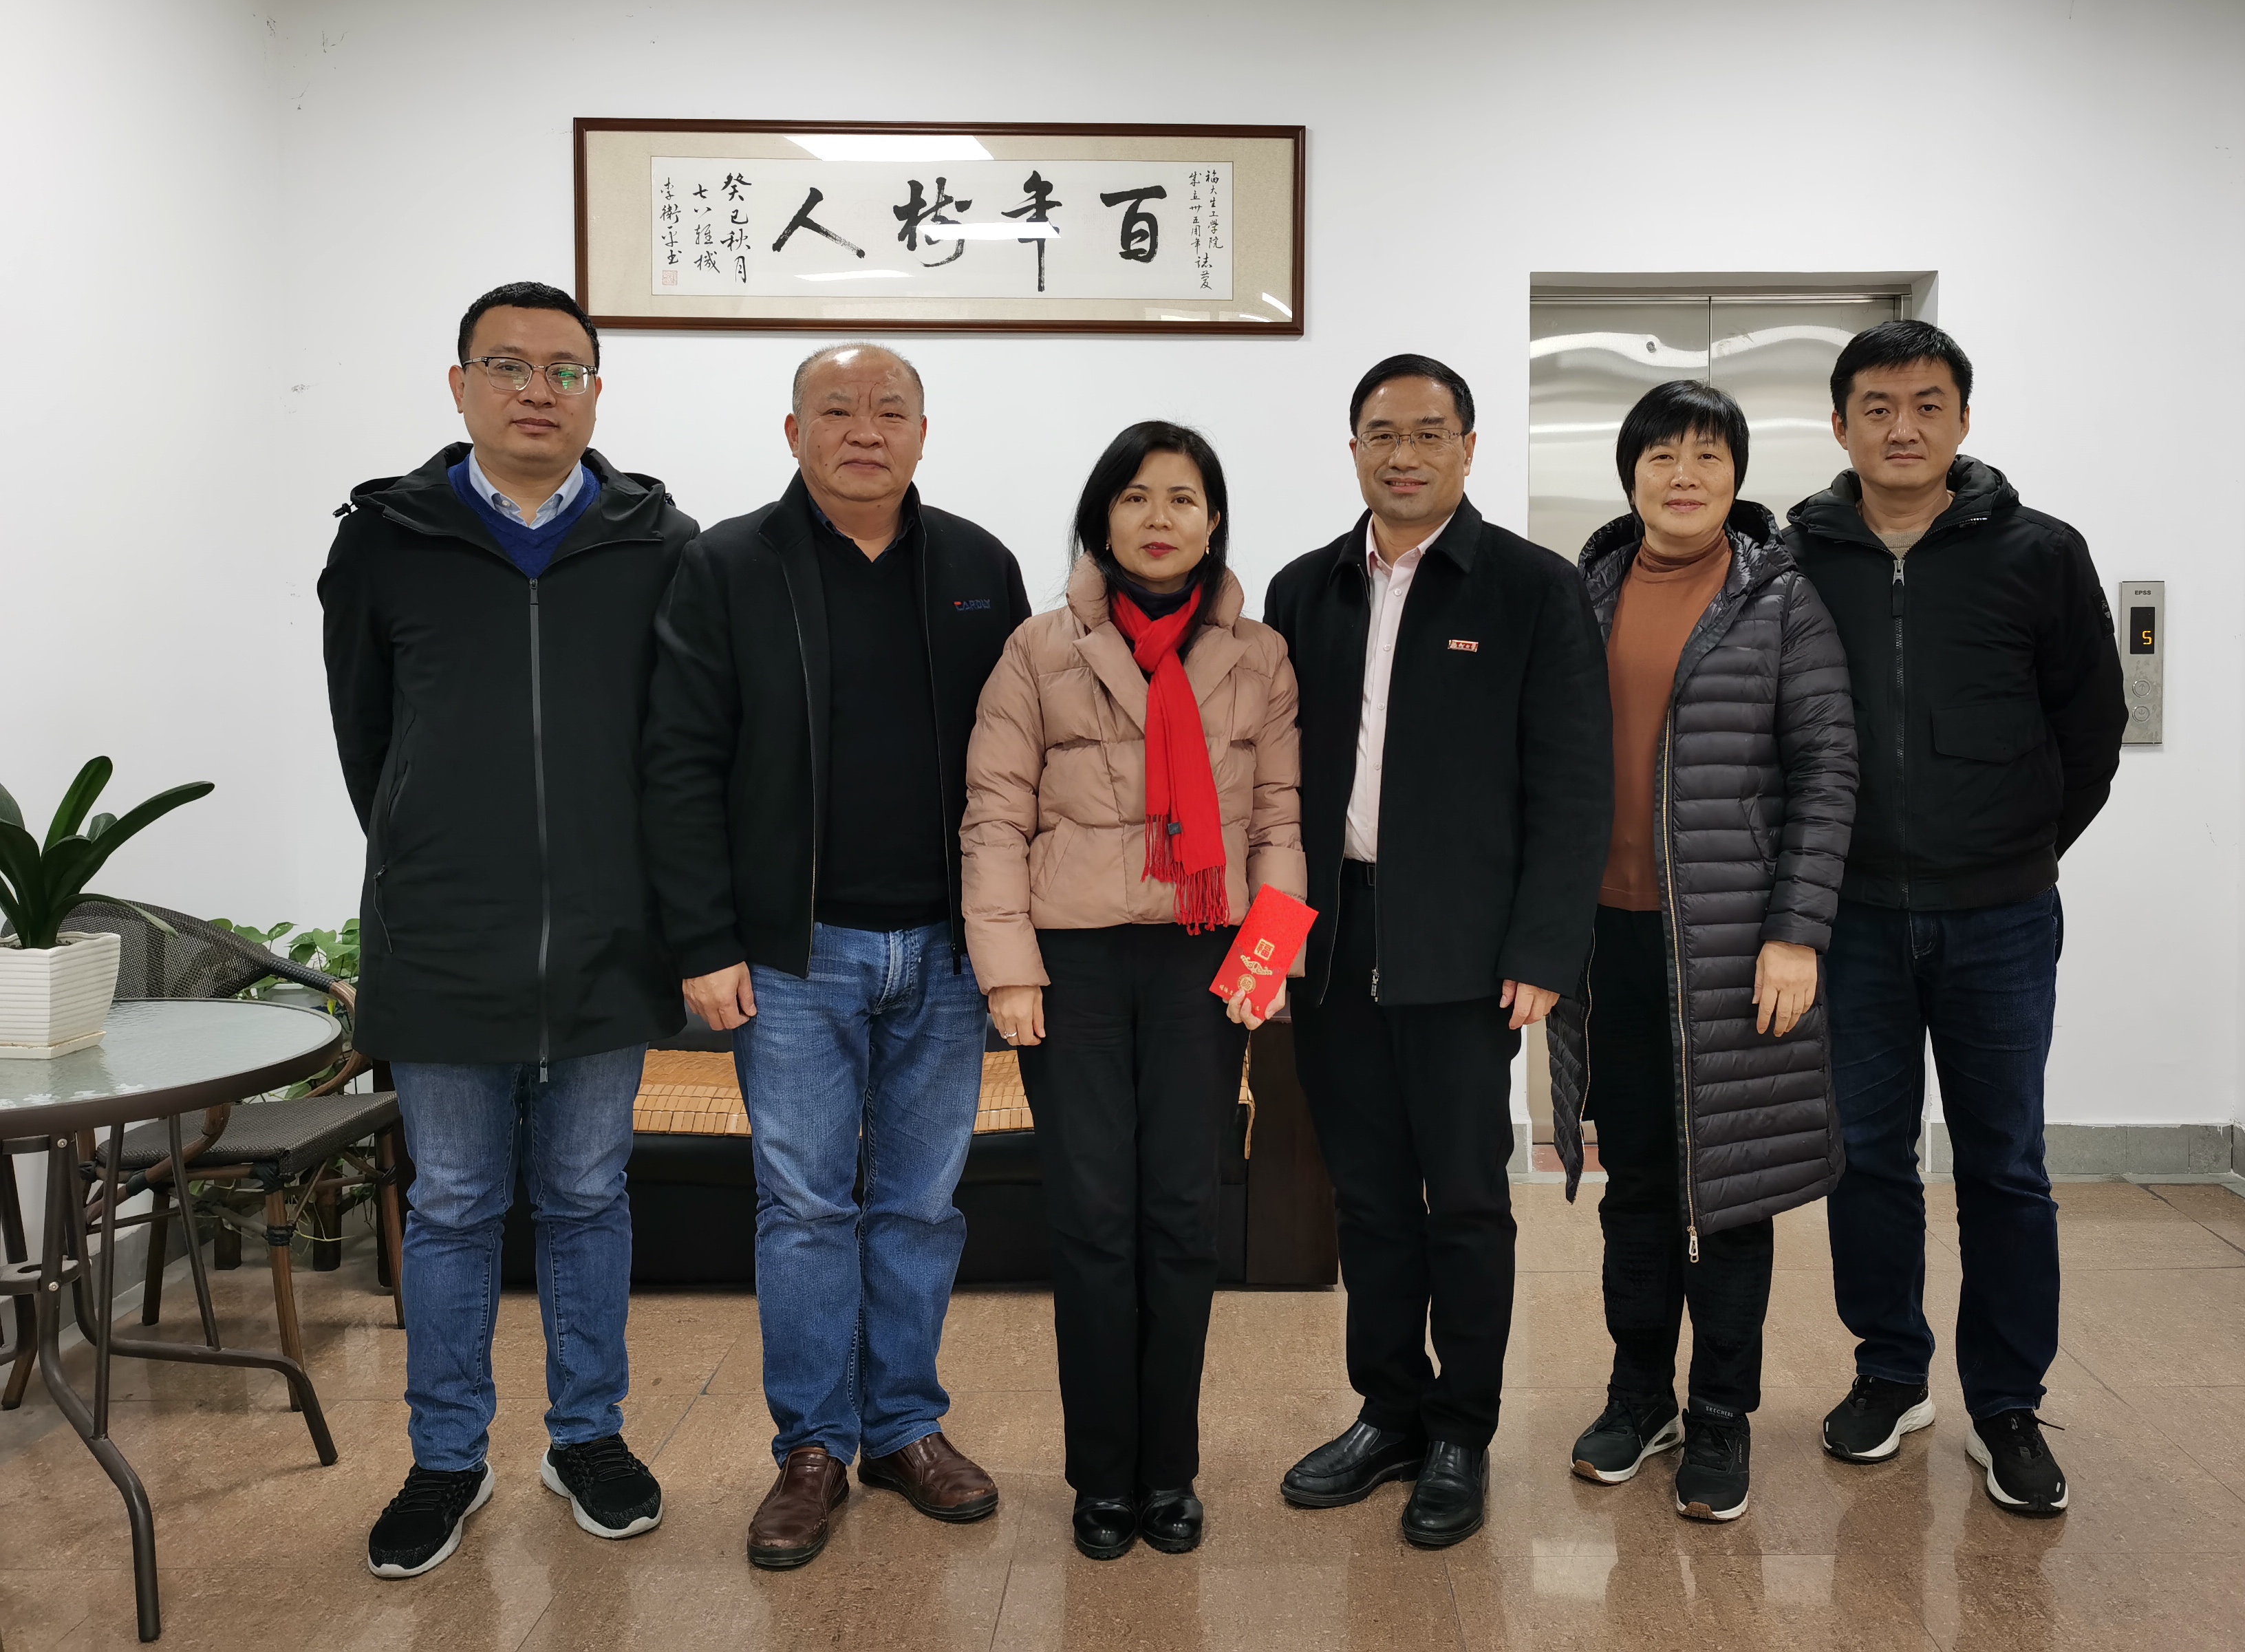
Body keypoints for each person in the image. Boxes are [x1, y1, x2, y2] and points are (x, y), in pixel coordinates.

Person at [319, 280, 697, 1579]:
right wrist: (435, 851)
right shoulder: (386, 540)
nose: (538, 390)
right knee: (454, 1204)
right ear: (460, 385)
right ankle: (446, 1458)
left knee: (589, 1195)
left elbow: (680, 741)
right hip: (444, 931)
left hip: (609, 930)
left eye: (564, 369)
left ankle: (588, 1437)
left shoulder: (659, 541)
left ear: (596, 390)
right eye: (508, 366)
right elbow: (368, 740)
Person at [641, 343, 1027, 1570]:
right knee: (805, 1208)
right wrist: (706, 939)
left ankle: (904, 1427)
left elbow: (1022, 759)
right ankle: (812, 1446)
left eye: (890, 410)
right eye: (839, 410)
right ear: (793, 430)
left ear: (923, 431)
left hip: (946, 954)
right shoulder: (726, 565)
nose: (866, 430)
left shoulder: (978, 566)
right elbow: (678, 763)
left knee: (920, 1205)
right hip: (791, 955)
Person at [1263, 354, 1613, 1549]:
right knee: (1366, 1199)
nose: (1403, 454)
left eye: (1427, 432)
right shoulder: (1305, 588)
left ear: (1468, 446)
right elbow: (1275, 780)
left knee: (1464, 1197)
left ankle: (1463, 1428)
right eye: (1381, 432)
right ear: (1352, 448)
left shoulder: (1531, 588)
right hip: (1333, 937)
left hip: (1468, 949)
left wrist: (1545, 946)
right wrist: (1273, 941)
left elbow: (1575, 783)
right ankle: (1389, 1412)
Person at [1787, 320, 2126, 1516]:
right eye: (1878, 408)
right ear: (1840, 425)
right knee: (1867, 1158)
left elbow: (2090, 727)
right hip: (1852, 921)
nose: (1904, 428)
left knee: (2006, 1164)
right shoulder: (1796, 558)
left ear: (1964, 419)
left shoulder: (2041, 552)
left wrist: (2017, 847)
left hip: (2001, 919)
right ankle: (1891, 1372)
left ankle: (2007, 1403)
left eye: (1928, 405)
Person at [961, 421, 1303, 1561]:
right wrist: (1010, 969)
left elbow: (1278, 820)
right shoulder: (1037, 648)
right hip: (1076, 967)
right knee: (1093, 1218)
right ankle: (1103, 1476)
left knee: (1183, 1218)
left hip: (1205, 959)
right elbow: (995, 816)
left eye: (1184, 498)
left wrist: (1266, 963)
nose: (1161, 518)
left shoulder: (1258, 654)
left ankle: (1171, 1472)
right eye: (1137, 496)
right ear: (1102, 517)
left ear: (1214, 522)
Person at [1546, 381, 1858, 1523]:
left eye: (1709, 457)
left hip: (1735, 949)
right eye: (1663, 455)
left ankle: (1722, 1410)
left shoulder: (1781, 601)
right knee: (1636, 1183)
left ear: (1737, 477)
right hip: (1608, 944)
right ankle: (1641, 1398)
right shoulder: (1583, 594)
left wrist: (1797, 934)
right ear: (1629, 472)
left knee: (1729, 1193)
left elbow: (1828, 774)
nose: (1685, 475)